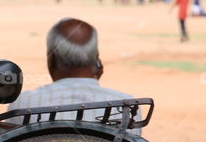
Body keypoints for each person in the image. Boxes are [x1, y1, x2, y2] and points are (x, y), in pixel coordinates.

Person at [7, 18, 140, 133]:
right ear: (97, 58)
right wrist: (92, 83)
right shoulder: (127, 107)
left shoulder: (23, 104)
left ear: (51, 60)